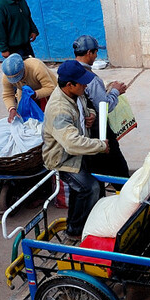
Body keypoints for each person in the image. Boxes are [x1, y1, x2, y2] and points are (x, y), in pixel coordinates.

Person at [42, 60, 109, 241]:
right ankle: (74, 231)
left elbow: (84, 108)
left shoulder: (75, 94)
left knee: (93, 184)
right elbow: (71, 144)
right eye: (82, 82)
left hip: (79, 151)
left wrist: (91, 115)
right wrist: (101, 145)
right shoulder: (59, 109)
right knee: (89, 188)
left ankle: (84, 221)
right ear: (69, 85)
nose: (86, 85)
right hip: (64, 158)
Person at [73, 35, 129, 179]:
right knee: (118, 169)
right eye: (95, 52)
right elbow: (104, 107)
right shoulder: (91, 78)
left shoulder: (70, 72)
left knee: (94, 170)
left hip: (82, 133)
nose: (97, 55)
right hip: (98, 132)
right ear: (89, 53)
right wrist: (116, 91)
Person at [1, 53, 57, 123]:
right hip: (24, 91)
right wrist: (11, 109)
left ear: (23, 68)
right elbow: (7, 94)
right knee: (24, 115)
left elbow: (50, 88)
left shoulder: (36, 67)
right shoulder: (7, 76)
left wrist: (35, 94)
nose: (18, 81)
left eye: (18, 77)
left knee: (50, 117)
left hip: (45, 90)